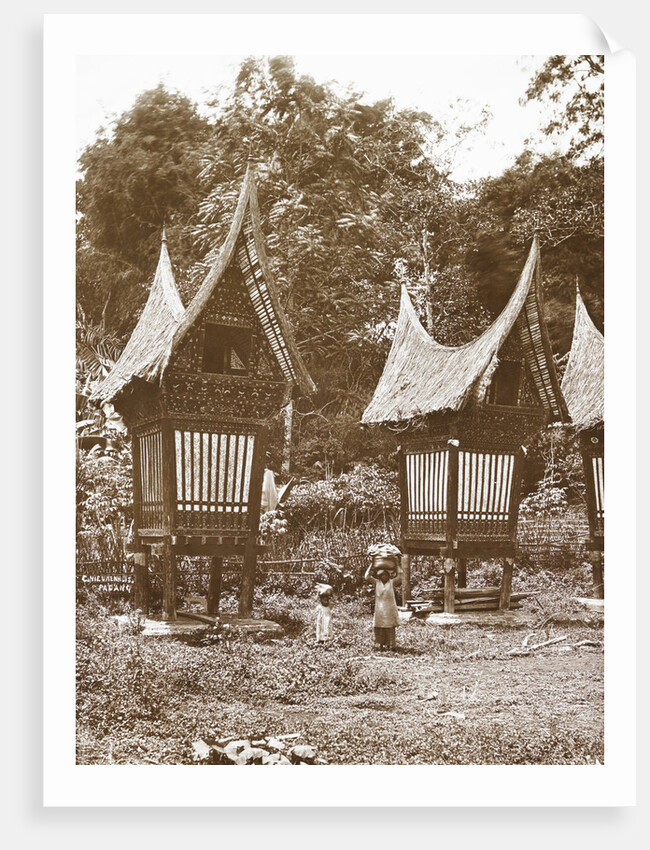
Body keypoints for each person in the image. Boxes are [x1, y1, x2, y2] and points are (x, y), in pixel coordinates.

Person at [365, 543, 402, 651]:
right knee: (380, 627)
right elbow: (366, 576)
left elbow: (400, 575)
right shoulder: (376, 583)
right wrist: (372, 564)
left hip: (389, 609)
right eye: (382, 575)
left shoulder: (392, 582)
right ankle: (380, 645)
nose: (384, 577)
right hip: (380, 610)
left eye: (386, 575)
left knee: (390, 627)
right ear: (379, 576)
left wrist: (396, 563)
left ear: (389, 575)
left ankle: (391, 645)